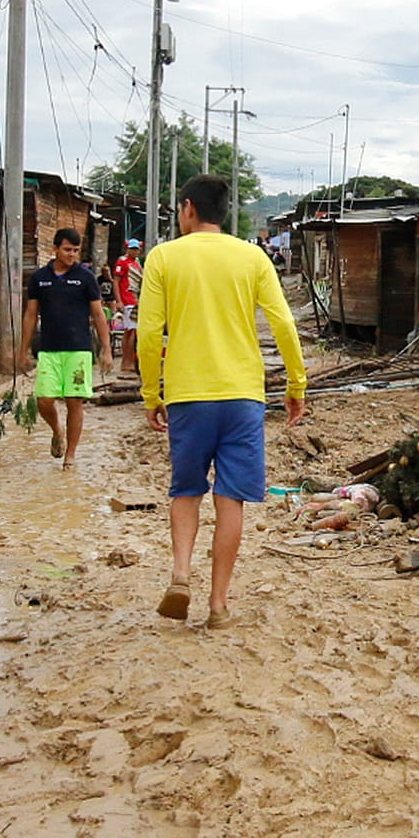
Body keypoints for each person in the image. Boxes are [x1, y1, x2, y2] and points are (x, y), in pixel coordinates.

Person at [137, 175, 306, 628]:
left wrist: (151, 392)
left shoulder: (164, 258)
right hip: (242, 397)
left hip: (188, 396)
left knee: (186, 490)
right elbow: (283, 324)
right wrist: (296, 384)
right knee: (231, 499)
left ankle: (180, 576)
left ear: (188, 208)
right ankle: (217, 605)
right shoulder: (252, 257)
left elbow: (149, 333)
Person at [22, 227, 110, 469]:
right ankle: (56, 429)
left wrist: (106, 349)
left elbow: (98, 314)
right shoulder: (39, 279)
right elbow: (30, 315)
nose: (72, 255)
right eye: (67, 249)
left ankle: (70, 455)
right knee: (44, 400)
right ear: (55, 249)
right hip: (48, 349)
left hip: (79, 349)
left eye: (76, 250)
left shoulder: (86, 278)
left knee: (74, 401)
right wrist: (23, 350)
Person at [113, 237, 143, 374]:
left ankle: (128, 361)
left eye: (137, 249)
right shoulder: (122, 262)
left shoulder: (136, 264)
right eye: (133, 249)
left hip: (135, 299)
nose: (135, 251)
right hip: (127, 300)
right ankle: (127, 361)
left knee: (131, 331)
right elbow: (116, 282)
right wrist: (119, 300)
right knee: (131, 331)